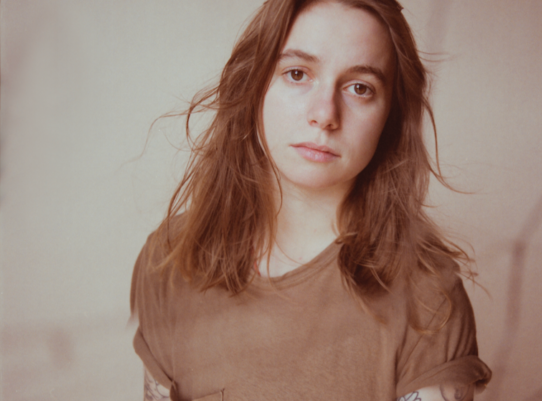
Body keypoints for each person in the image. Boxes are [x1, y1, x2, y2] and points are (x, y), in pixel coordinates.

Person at [129, 0, 491, 400]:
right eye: (297, 74)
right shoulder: (169, 260)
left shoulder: (429, 298)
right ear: (253, 84)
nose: (324, 114)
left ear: (391, 115)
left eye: (360, 88)